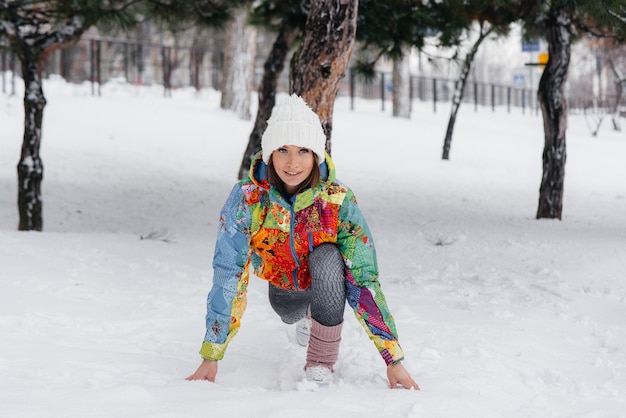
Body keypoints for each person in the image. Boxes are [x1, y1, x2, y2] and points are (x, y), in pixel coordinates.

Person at [186, 94, 419, 390]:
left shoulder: (337, 200)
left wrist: (393, 359)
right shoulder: (248, 199)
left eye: (303, 151)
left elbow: (363, 279)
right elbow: (228, 273)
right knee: (289, 312)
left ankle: (320, 361)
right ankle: (307, 317)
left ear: (316, 156)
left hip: (327, 282)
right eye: (282, 150)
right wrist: (212, 353)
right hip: (284, 292)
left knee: (328, 256)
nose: (293, 163)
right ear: (269, 154)